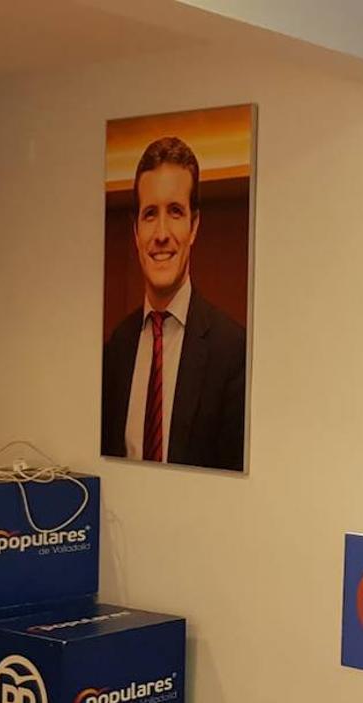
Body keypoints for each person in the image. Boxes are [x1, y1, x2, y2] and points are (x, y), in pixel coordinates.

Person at [101, 136, 246, 472]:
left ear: (194, 226)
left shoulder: (233, 351)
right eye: (150, 214)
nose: (162, 233)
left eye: (175, 212)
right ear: (136, 230)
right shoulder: (117, 347)